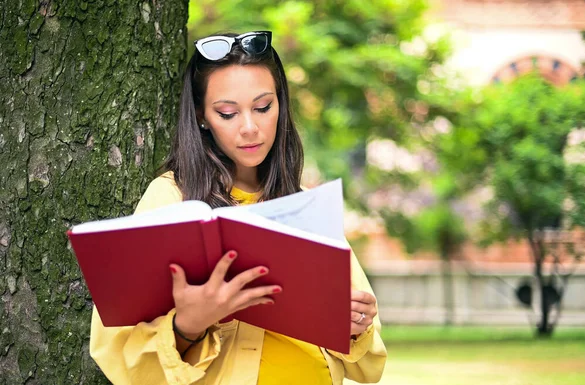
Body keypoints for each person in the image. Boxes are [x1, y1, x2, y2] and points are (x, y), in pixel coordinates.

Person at [90, 30, 387, 385]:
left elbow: (368, 364)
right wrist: (188, 326)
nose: (250, 128)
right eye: (228, 113)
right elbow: (118, 351)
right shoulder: (171, 198)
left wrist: (356, 325)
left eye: (263, 107)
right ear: (202, 117)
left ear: (281, 104)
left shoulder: (304, 204)